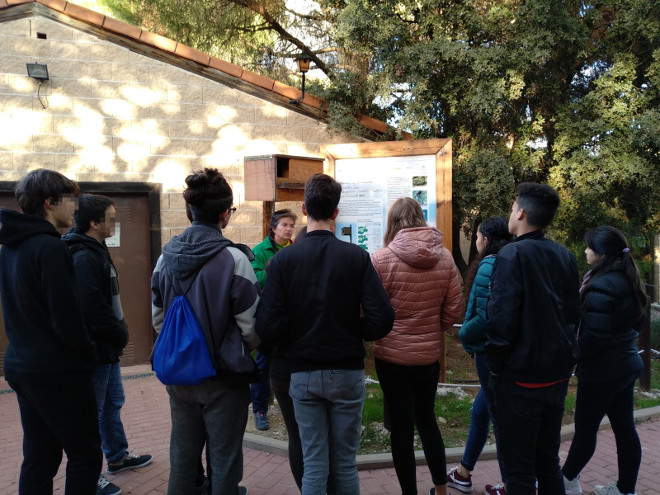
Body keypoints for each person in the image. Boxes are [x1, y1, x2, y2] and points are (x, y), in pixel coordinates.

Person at [255, 173, 395, 495]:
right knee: (345, 464)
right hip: (346, 369)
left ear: (304, 209)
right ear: (335, 213)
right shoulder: (356, 257)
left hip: (301, 372)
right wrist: (353, 331)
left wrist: (294, 336)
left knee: (314, 464)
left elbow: (267, 325)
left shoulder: (283, 261)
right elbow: (382, 318)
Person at [151, 168, 260, 495]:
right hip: (224, 377)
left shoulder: (164, 258)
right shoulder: (234, 259)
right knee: (224, 458)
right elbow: (251, 327)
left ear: (190, 211)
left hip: (179, 376)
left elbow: (157, 320)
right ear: (225, 213)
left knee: (182, 454)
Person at [0, 169, 102, 494]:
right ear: (49, 202)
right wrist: (89, 355)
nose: (75, 209)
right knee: (85, 454)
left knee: (40, 455)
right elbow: (66, 319)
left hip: (22, 366)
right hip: (57, 371)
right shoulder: (51, 248)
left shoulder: (9, 249)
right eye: (70, 201)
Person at [486, 182, 580, 495]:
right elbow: (572, 315)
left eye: (513, 208)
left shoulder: (511, 255)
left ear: (522, 212)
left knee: (519, 471)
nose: (511, 213)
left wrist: (496, 367)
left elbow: (501, 319)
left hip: (520, 381)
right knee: (547, 462)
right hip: (555, 378)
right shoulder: (565, 255)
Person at [371, 197, 463, 495]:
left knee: (401, 429)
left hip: (391, 358)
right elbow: (454, 310)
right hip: (427, 356)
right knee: (427, 421)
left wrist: (389, 332)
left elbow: (372, 311)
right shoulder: (446, 258)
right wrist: (432, 330)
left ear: (393, 222)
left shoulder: (381, 259)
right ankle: (440, 490)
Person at [62, 194, 153, 495]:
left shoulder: (95, 248)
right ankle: (92, 473)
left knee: (112, 404)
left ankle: (116, 456)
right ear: (94, 222)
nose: (115, 223)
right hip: (96, 349)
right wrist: (117, 333)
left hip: (107, 349)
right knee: (92, 412)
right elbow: (91, 307)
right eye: (111, 218)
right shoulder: (83, 255)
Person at [561, 226, 647, 495]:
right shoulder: (626, 276)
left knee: (586, 429)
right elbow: (637, 321)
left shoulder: (601, 285)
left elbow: (594, 338)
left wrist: (571, 353)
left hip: (602, 371)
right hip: (625, 364)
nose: (586, 251)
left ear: (602, 254)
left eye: (589, 247)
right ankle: (625, 490)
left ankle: (567, 481)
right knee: (624, 428)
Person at [447, 217, 511, 495]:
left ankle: (511, 483)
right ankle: (463, 473)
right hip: (500, 349)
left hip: (488, 351)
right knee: (480, 411)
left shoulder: (490, 263)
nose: (475, 241)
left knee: (498, 417)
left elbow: (485, 316)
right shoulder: (510, 260)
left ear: (485, 239)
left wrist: (463, 335)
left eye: (476, 236)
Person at [250, 209, 297, 431]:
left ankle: (294, 408)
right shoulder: (260, 251)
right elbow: (254, 279)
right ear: (274, 227)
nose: (288, 229)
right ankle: (259, 409)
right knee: (262, 365)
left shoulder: (296, 248)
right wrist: (277, 269)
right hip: (269, 317)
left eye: (291, 226)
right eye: (285, 225)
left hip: (292, 317)